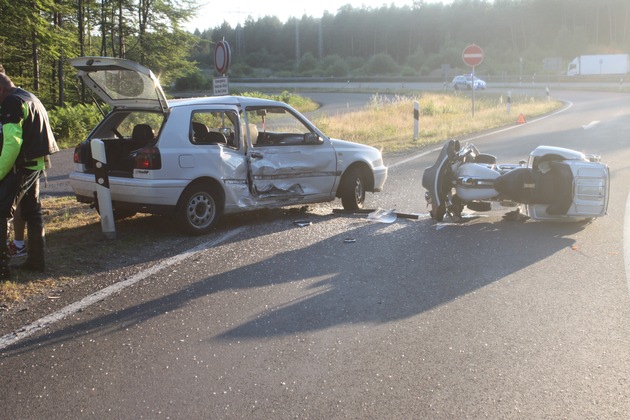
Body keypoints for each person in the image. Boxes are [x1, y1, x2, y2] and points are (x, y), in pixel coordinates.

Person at [0, 72, 59, 279]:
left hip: (20, 166)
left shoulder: (11, 102)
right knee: (32, 212)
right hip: (35, 164)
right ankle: (36, 261)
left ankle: (3, 269)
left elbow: (12, 143)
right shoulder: (29, 97)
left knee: (2, 212)